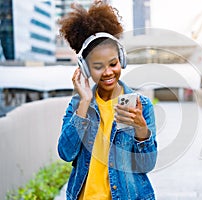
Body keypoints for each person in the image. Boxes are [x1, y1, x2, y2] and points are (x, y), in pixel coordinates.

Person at [57, 1, 157, 200]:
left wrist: (141, 129)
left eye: (113, 63)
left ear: (122, 60)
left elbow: (147, 164)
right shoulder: (78, 105)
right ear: (85, 69)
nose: (108, 72)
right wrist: (84, 103)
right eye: (98, 66)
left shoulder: (141, 105)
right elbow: (65, 153)